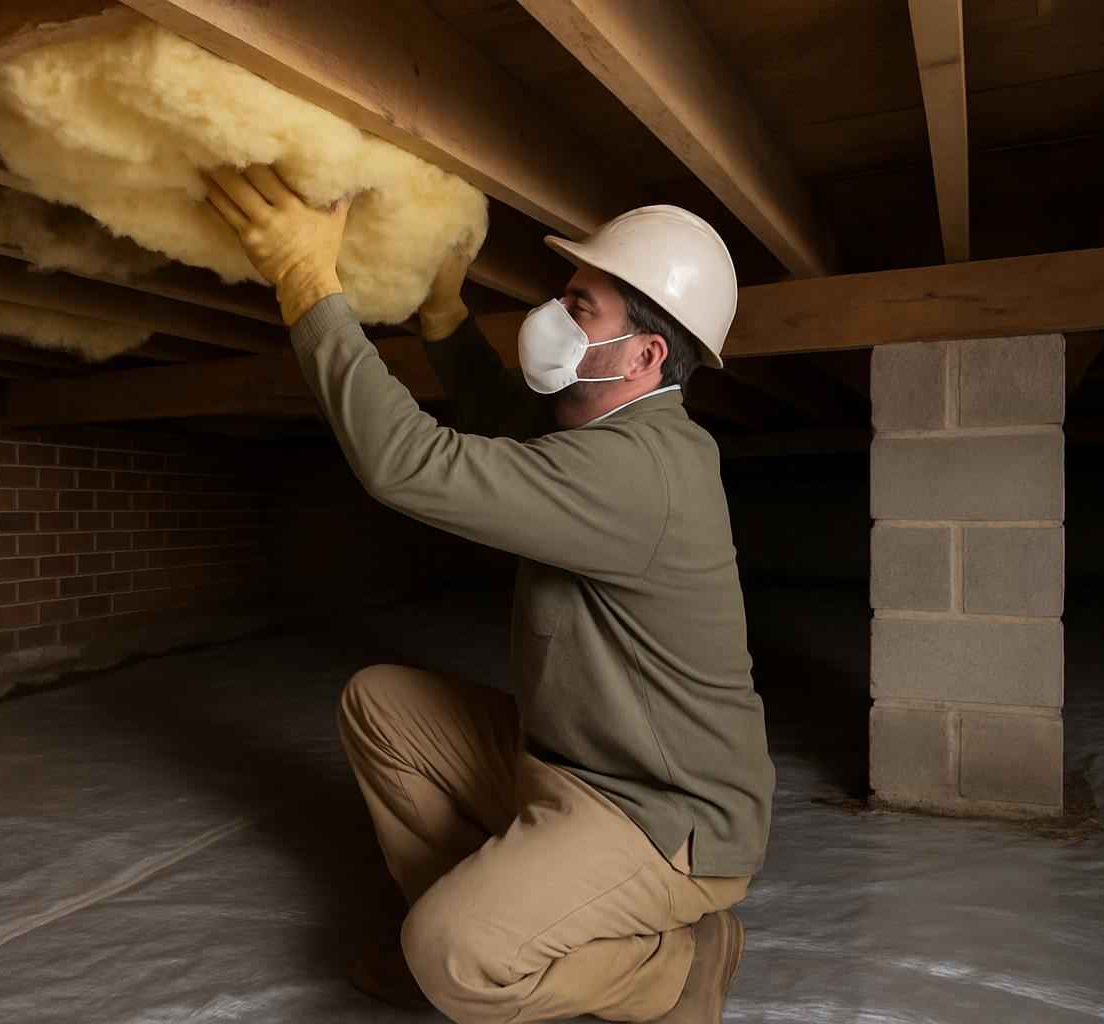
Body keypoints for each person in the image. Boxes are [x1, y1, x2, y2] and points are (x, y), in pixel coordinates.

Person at [204, 165, 774, 1024]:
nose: (554, 314)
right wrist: (444, 317)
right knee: (381, 705)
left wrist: (306, 283)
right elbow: (504, 418)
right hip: (568, 766)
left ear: (645, 354)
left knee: (454, 960)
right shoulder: (611, 427)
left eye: (581, 306)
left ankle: (674, 965)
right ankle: (460, 923)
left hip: (661, 816)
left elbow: (407, 463)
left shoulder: (640, 474)